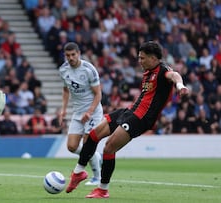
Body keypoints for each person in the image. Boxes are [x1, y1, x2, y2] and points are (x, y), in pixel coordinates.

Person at [65, 41, 189, 198]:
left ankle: (103, 189)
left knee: (109, 147)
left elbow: (174, 75)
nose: (140, 61)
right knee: (93, 135)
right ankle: (78, 173)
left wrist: (181, 86)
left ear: (153, 58)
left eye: (142, 58)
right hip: (130, 111)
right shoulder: (149, 71)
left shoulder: (163, 70)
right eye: (139, 57)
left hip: (141, 118)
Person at [59, 42, 103, 186]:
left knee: (87, 144)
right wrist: (63, 109)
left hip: (93, 111)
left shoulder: (89, 69)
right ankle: (94, 156)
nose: (70, 58)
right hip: (77, 112)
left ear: (78, 53)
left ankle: (97, 177)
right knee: (71, 146)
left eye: (73, 55)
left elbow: (98, 94)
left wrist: (90, 112)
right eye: (68, 55)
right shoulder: (63, 70)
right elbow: (66, 90)